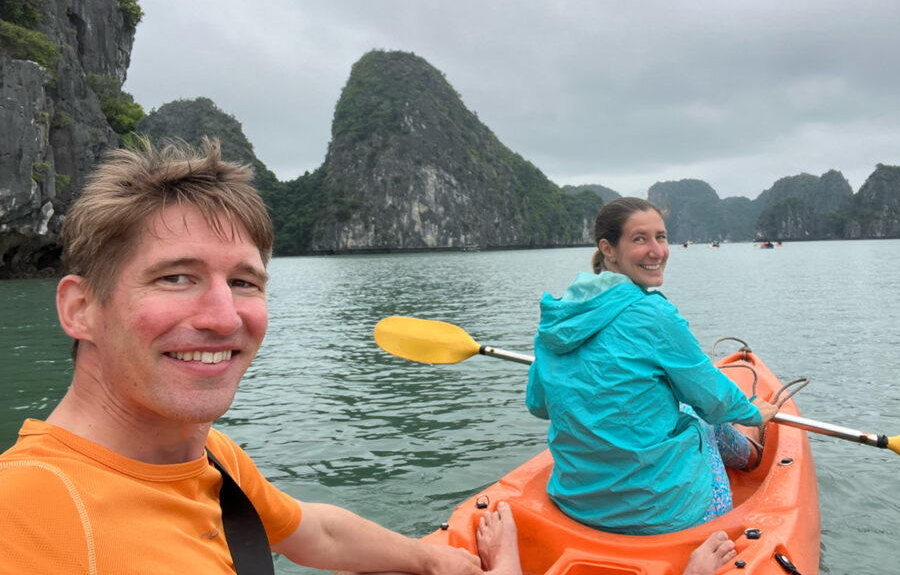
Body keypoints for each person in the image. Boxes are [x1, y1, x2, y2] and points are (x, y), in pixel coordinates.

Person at [0, 137, 518, 575]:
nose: (225, 318)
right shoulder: (25, 518)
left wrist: (434, 560)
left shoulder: (211, 457)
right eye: (176, 277)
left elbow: (317, 531)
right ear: (80, 308)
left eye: (244, 282)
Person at [526, 197, 778, 545]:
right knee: (701, 421)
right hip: (663, 515)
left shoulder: (557, 319)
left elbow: (539, 404)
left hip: (577, 506)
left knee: (687, 414)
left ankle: (746, 453)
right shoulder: (654, 315)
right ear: (608, 249)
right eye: (640, 239)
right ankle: (751, 456)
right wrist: (752, 412)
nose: (657, 250)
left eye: (661, 237)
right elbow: (714, 400)